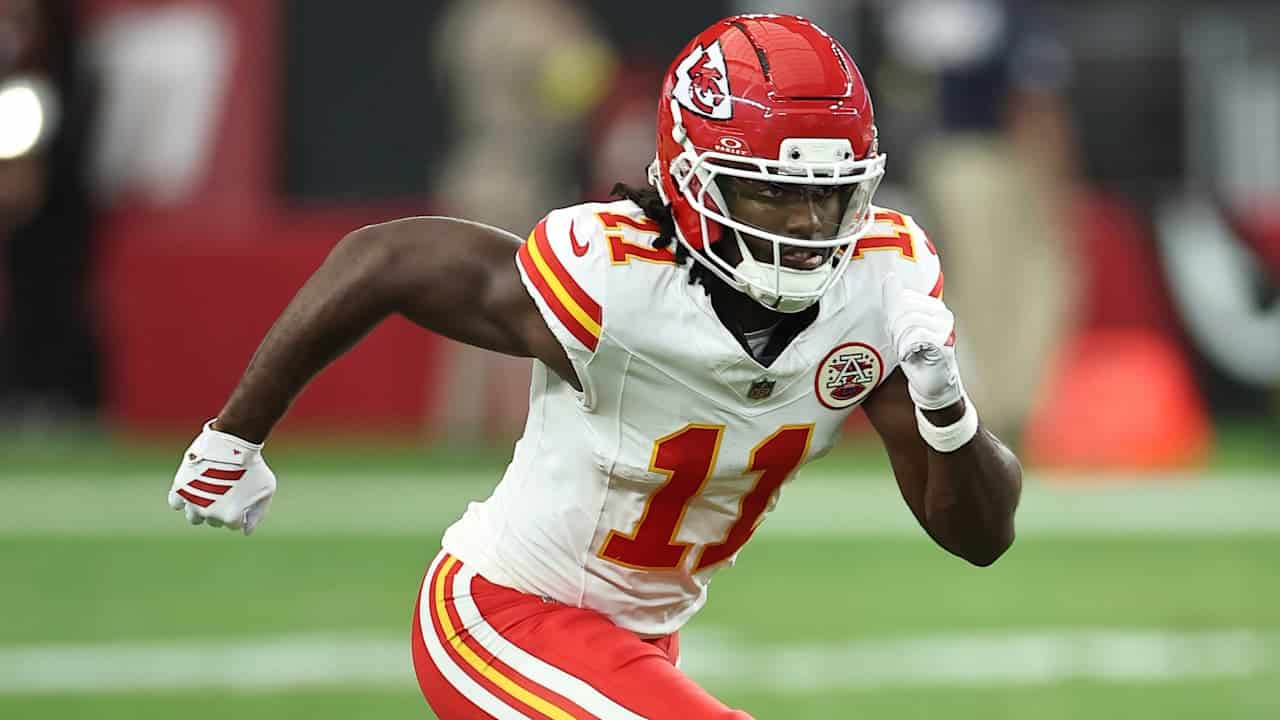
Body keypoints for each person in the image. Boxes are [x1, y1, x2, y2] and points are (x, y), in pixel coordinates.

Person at [166, 15, 1022, 718]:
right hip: (502, 618)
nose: (806, 224)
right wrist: (234, 436)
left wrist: (949, 410)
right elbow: (383, 259)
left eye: (827, 193)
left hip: (632, 647)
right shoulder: (616, 277)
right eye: (772, 190)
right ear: (694, 181)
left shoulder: (877, 282)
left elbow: (981, 539)